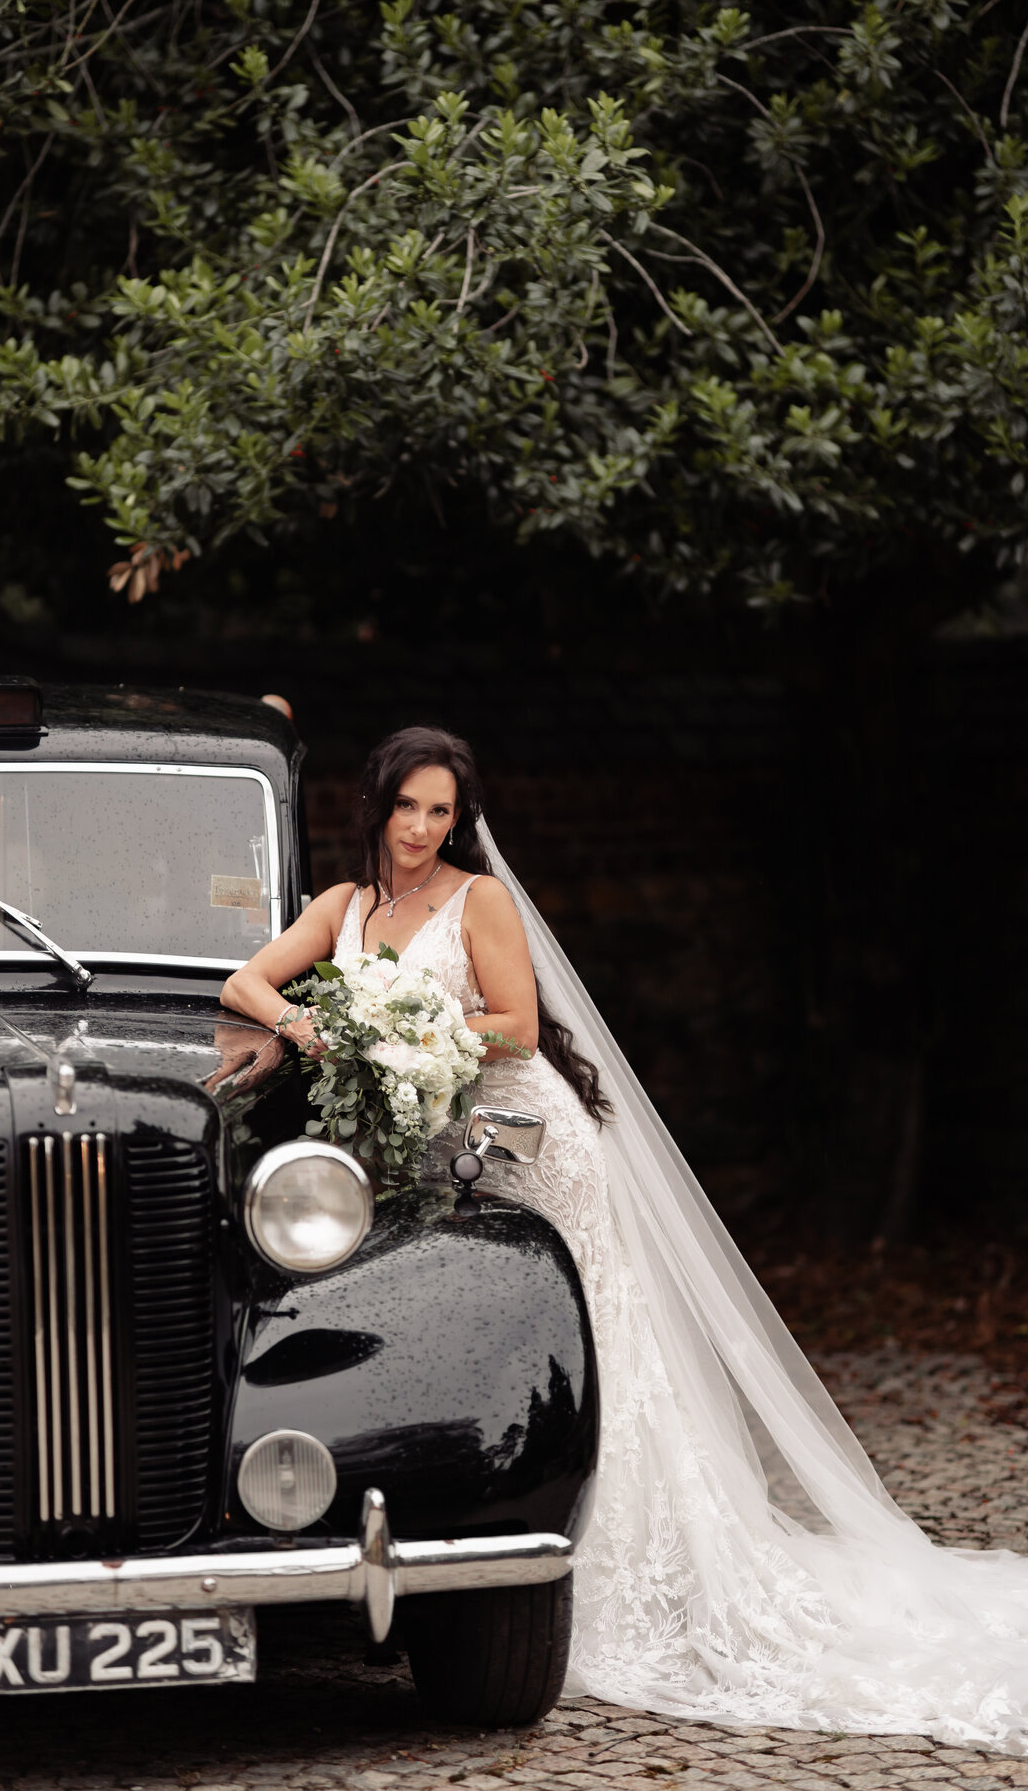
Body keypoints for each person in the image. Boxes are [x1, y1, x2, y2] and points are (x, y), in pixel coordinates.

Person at [222, 725, 1028, 1755]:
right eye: (407, 806)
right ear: (376, 805)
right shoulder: (342, 907)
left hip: (523, 1133)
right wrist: (307, 1026)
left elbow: (513, 1022)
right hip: (432, 1141)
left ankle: (606, 1560)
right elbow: (245, 984)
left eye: (441, 811)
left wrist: (403, 1030)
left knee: (585, 1328)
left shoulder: (483, 899)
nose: (422, 829)